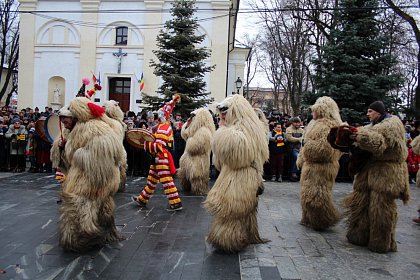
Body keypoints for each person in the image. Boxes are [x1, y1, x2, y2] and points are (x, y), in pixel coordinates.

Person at [57, 97, 125, 252]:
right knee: (102, 209)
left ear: (76, 115)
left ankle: (81, 238)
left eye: (65, 119)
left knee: (81, 208)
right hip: (86, 178)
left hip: (92, 181)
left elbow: (104, 154)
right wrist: (62, 147)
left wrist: (77, 153)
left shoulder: (95, 128)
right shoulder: (76, 129)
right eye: (62, 120)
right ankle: (103, 234)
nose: (63, 123)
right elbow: (68, 158)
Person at [204, 95, 269, 253]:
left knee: (231, 209)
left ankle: (228, 240)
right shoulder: (246, 127)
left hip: (241, 177)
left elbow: (238, 156)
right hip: (237, 175)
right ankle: (246, 234)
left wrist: (222, 131)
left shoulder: (243, 129)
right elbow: (222, 162)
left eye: (225, 112)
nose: (222, 115)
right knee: (243, 210)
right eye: (221, 112)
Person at [343, 101, 409, 253]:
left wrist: (359, 135)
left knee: (381, 208)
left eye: (370, 111)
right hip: (367, 172)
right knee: (361, 204)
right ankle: (359, 235)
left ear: (379, 112)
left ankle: (381, 242)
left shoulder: (392, 125)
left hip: (386, 173)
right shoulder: (369, 127)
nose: (368, 114)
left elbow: (379, 144)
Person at [296, 96, 343, 230]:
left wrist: (307, 147)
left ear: (322, 110)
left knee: (318, 196)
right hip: (310, 165)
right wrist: (302, 156)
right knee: (306, 194)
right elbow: (304, 144)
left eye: (315, 110)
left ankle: (324, 220)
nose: (313, 113)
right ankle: (308, 218)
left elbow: (326, 149)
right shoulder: (313, 123)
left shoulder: (330, 125)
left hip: (322, 167)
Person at [131, 95, 183, 211]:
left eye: (161, 114)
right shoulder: (160, 126)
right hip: (157, 158)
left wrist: (145, 144)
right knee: (151, 180)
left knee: (166, 180)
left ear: (165, 116)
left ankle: (176, 203)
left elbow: (159, 145)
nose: (159, 116)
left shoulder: (165, 127)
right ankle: (142, 199)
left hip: (161, 156)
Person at [178, 108, 216, 195]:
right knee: (186, 179)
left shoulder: (204, 131)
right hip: (189, 160)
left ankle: (200, 190)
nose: (191, 118)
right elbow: (184, 134)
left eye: (193, 116)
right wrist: (187, 125)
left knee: (198, 180)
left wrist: (189, 140)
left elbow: (194, 147)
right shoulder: (194, 128)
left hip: (198, 162)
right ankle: (187, 187)